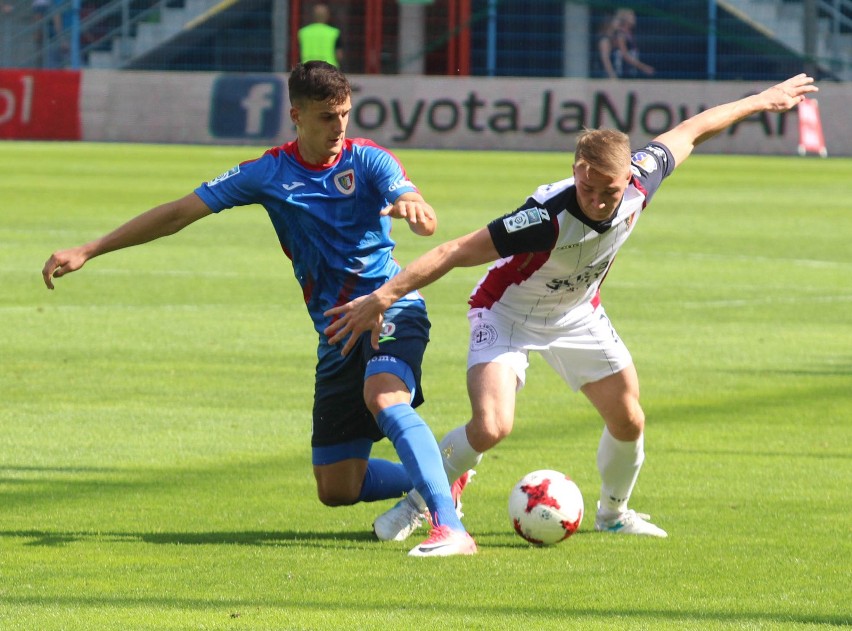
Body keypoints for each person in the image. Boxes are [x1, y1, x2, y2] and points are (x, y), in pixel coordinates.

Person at [324, 73, 818, 541]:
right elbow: (454, 251)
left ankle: (614, 514)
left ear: (631, 175)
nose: (600, 201)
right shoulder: (542, 218)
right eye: (589, 187)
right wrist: (383, 296)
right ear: (575, 170)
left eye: (611, 190)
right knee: (491, 427)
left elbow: (693, 130)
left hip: (578, 314)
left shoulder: (642, 179)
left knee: (629, 419)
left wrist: (762, 100)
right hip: (506, 315)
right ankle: (420, 502)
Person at [41, 61, 476, 558]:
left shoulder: (369, 160)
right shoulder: (267, 173)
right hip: (335, 332)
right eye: (325, 117)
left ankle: (450, 528)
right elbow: (179, 213)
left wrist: (415, 208)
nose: (338, 127)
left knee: (385, 398)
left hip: (388, 306)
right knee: (336, 487)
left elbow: (417, 207)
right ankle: (440, 482)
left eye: (345, 114)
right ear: (296, 115)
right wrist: (90, 249)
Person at [597, 8, 654, 79]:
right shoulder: (614, 37)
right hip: (619, 73)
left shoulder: (627, 34)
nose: (634, 17)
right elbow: (623, 55)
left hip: (628, 72)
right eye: (631, 15)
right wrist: (643, 67)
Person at [298, 3, 343, 68]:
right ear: (327, 16)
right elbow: (339, 55)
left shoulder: (303, 32)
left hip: (308, 68)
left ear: (313, 16)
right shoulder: (334, 32)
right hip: (329, 69)